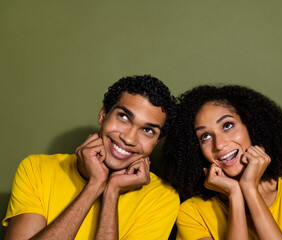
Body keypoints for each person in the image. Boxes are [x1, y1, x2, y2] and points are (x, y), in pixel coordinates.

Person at [3, 75, 180, 240]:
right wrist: (94, 186)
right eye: (124, 117)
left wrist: (112, 192)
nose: (129, 138)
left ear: (155, 143)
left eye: (148, 130)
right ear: (103, 114)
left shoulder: (162, 198)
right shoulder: (37, 169)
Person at [162, 85, 282, 240]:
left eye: (227, 125)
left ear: (252, 127)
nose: (219, 144)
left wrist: (249, 188)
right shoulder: (192, 213)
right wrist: (236, 195)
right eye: (205, 136)